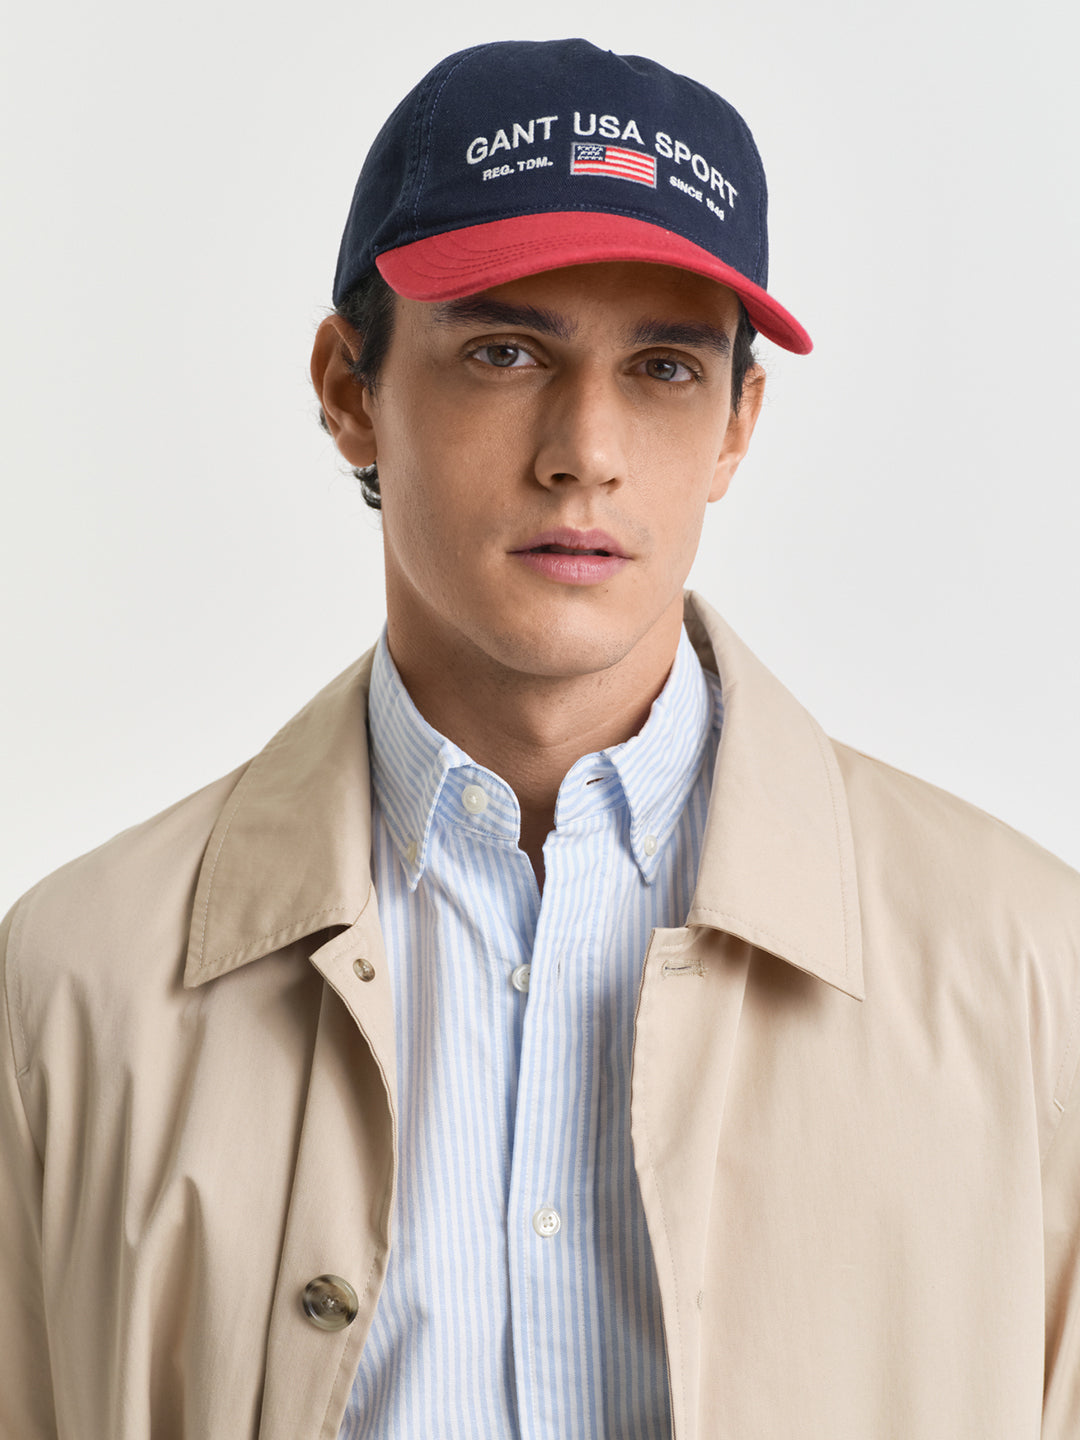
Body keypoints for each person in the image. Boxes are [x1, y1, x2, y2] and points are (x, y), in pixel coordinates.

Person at [2, 36, 1078, 1440]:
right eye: (505, 352)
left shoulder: (1029, 975)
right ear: (349, 389)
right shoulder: (75, 986)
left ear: (738, 425)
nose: (587, 450)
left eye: (666, 367)